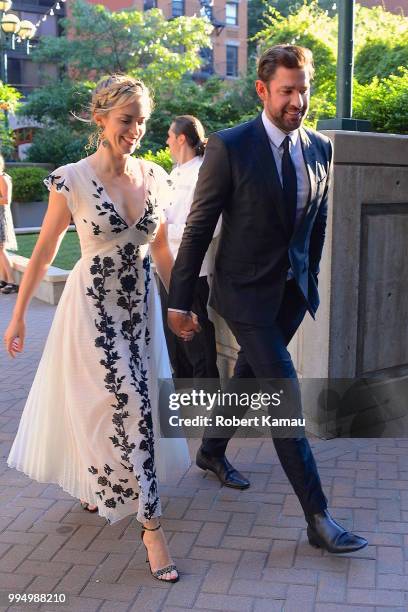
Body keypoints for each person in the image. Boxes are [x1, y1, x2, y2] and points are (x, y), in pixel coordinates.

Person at [167, 45, 368, 554]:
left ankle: (211, 451)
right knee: (284, 395)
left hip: (290, 295)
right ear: (262, 90)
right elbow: (197, 229)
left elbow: (317, 222)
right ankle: (318, 518)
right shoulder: (231, 147)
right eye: (287, 90)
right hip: (243, 294)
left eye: (303, 88)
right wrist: (180, 299)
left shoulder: (320, 147)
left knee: (248, 380)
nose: (297, 99)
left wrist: (310, 278)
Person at [3, 74, 192, 583]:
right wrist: (18, 314)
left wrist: (181, 305)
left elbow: (160, 249)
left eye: (143, 121)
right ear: (101, 118)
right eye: (127, 120)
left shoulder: (155, 176)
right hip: (92, 315)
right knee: (124, 405)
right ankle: (153, 528)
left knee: (140, 405)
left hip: (142, 312)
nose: (136, 130)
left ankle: (98, 486)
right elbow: (42, 251)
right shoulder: (72, 179)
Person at [159, 115, 220, 380]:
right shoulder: (174, 173)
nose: (167, 142)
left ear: (181, 138)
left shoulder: (202, 173)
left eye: (170, 137)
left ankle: (208, 396)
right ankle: (182, 395)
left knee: (196, 336)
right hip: (166, 266)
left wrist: (160, 231)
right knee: (174, 340)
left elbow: (209, 226)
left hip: (192, 268)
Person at [0, 155, 18, 294]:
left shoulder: (3, 177)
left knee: (1, 249)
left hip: (2, 217)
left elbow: (7, 200)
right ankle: (4, 280)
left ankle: (12, 282)